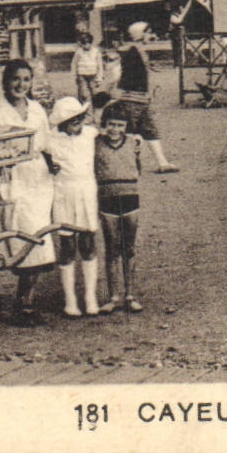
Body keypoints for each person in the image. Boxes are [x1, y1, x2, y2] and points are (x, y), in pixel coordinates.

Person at [0, 59, 56, 326]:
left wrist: (53, 163)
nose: (21, 85)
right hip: (12, 175)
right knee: (24, 234)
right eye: (16, 79)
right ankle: (23, 302)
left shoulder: (36, 108)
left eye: (26, 79)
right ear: (6, 81)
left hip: (38, 177)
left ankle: (25, 301)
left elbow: (47, 143)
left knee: (39, 236)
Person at [47, 96, 101, 318]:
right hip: (63, 194)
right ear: (62, 123)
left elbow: (112, 135)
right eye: (72, 120)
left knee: (88, 243)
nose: (77, 122)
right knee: (67, 245)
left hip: (87, 192)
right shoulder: (51, 140)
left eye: (80, 117)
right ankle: (70, 300)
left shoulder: (90, 134)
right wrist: (49, 166)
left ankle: (90, 297)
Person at [94, 101, 144, 314]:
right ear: (104, 124)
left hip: (130, 197)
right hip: (107, 198)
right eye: (111, 124)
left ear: (126, 126)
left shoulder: (133, 142)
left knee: (129, 248)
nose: (115, 129)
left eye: (120, 125)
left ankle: (130, 295)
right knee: (112, 247)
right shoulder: (96, 143)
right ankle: (113, 296)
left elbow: (137, 167)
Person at [110, 23, 178, 172]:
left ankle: (162, 163)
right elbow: (117, 73)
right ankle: (126, 165)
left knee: (150, 130)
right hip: (132, 98)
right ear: (140, 34)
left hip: (141, 99)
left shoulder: (137, 50)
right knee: (129, 131)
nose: (151, 35)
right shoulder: (131, 52)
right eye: (148, 32)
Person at [70, 31, 102, 102]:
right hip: (82, 75)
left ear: (91, 43)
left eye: (87, 43)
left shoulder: (96, 52)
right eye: (83, 44)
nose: (85, 45)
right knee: (84, 93)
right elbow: (74, 63)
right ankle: (86, 105)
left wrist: (99, 78)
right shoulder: (79, 52)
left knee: (94, 92)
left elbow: (100, 66)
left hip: (93, 75)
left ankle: (95, 105)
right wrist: (74, 75)